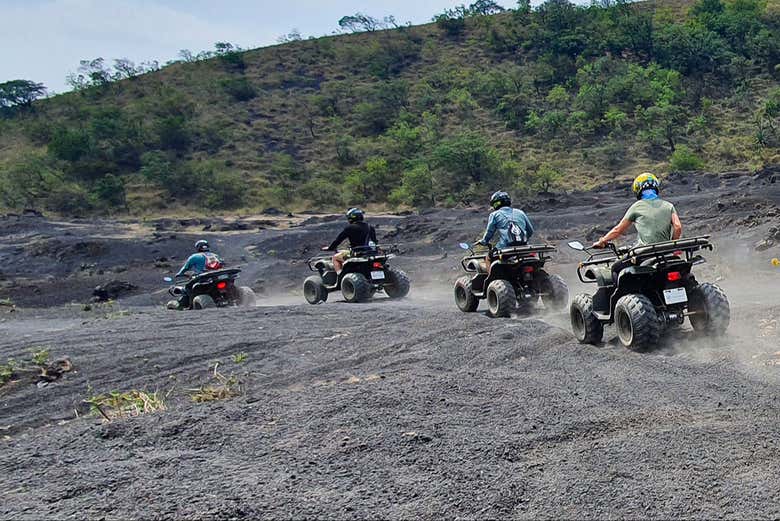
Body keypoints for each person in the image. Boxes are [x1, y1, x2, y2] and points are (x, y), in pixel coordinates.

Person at [592, 173, 682, 250]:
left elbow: (618, 230)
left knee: (616, 267)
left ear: (638, 189)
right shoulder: (669, 206)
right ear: (656, 187)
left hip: (645, 251)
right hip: (665, 251)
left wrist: (602, 241)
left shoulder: (636, 207)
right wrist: (672, 245)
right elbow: (677, 227)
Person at [169, 240, 224, 309]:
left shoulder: (194, 257)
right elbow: (222, 264)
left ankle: (190, 305)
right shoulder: (215, 255)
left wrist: (180, 273)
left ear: (198, 247)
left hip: (203, 278)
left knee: (188, 287)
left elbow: (186, 267)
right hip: (218, 277)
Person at [321, 208, 377, 273]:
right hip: (369, 253)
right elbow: (374, 241)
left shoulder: (350, 228)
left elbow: (338, 240)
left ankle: (340, 275)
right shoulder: (370, 227)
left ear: (350, 218)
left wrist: (330, 248)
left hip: (356, 253)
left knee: (335, 257)